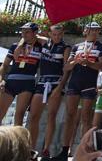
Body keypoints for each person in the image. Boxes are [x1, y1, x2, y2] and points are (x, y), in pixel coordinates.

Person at [53, 21, 102, 161]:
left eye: (97, 30)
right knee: (70, 115)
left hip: (89, 84)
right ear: (85, 31)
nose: (94, 32)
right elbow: (66, 67)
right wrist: (76, 61)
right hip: (74, 83)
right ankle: (65, 150)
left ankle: (86, 150)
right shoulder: (77, 46)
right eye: (91, 30)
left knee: (86, 117)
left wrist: (88, 63)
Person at [27, 24, 71, 158]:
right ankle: (31, 148)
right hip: (42, 82)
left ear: (62, 34)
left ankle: (46, 149)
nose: (57, 37)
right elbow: (29, 35)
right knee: (34, 116)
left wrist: (60, 87)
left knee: (52, 116)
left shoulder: (66, 47)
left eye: (59, 34)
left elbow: (66, 69)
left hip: (56, 83)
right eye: (54, 34)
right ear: (50, 34)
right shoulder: (44, 42)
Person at [0, 22, 43, 126]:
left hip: (27, 83)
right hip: (11, 81)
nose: (23, 34)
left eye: (27, 32)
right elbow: (5, 65)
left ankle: (18, 141)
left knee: (19, 115)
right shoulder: (15, 46)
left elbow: (48, 40)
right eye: (22, 31)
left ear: (35, 33)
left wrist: (36, 38)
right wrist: (1, 79)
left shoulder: (41, 47)